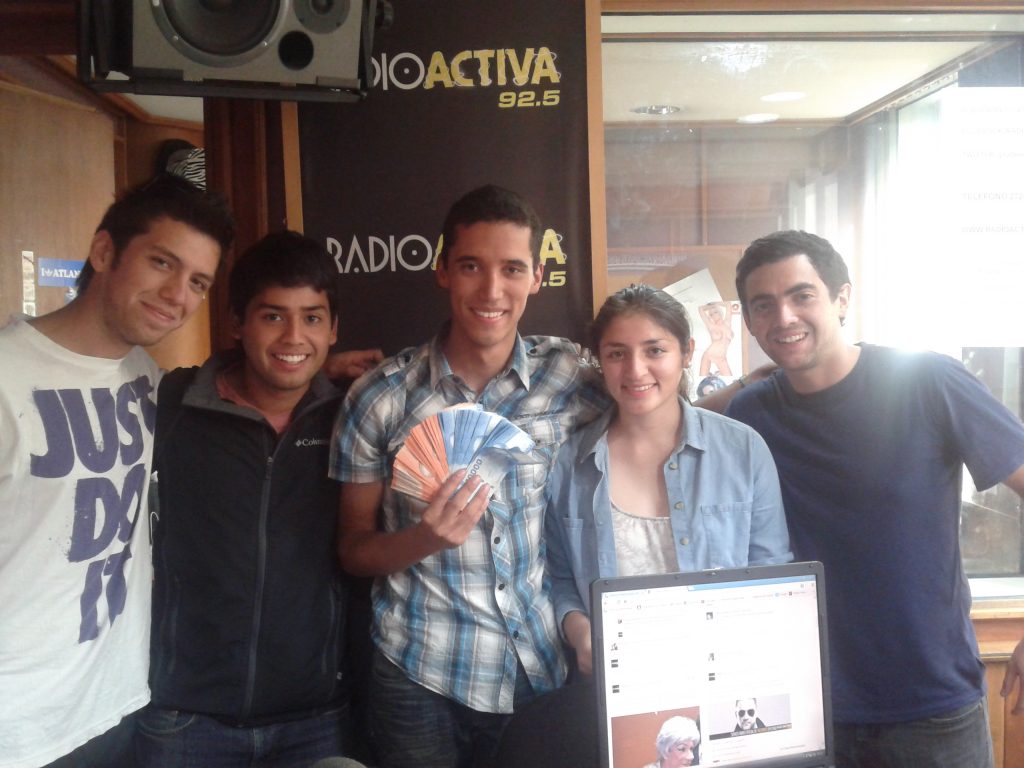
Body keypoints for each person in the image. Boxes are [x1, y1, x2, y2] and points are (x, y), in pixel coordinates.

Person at [330, 184, 608, 768]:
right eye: (471, 266)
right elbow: (352, 550)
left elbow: (651, 398)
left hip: (539, 668)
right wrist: (423, 539)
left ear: (537, 277)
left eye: (512, 269)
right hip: (420, 675)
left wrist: (744, 392)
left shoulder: (568, 374)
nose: (491, 290)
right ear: (443, 271)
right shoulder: (381, 397)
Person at [723, 230, 1024, 768]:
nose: (784, 317)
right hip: (804, 712)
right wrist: (747, 379)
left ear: (842, 298)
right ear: (747, 321)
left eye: (802, 295)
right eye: (763, 305)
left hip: (931, 706)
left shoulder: (928, 380)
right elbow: (669, 425)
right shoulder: (751, 414)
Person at [0, 175, 235, 768]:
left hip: (117, 706)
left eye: (198, 282)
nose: (177, 294)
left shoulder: (147, 378)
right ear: (105, 252)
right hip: (18, 727)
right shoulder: (8, 375)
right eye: (162, 262)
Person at [136, 232, 363, 766]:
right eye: (273, 316)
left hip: (316, 719)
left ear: (333, 329)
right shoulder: (175, 406)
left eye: (312, 318)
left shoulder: (353, 419)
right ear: (236, 322)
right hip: (184, 716)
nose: (294, 336)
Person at [545, 284, 791, 678]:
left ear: (687, 352)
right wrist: (580, 633)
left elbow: (772, 571)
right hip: (617, 679)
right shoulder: (569, 464)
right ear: (600, 360)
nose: (635, 370)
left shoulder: (743, 450)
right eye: (617, 354)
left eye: (655, 350)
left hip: (726, 673)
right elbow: (560, 579)